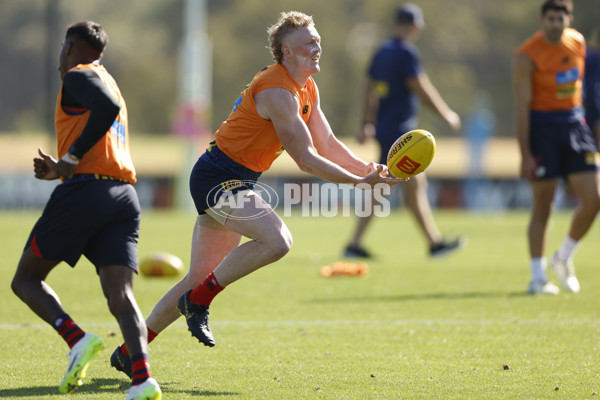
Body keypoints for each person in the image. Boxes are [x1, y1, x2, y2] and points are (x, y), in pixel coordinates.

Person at [109, 11, 403, 376]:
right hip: (217, 176)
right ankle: (198, 303)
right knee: (278, 240)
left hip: (235, 178)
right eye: (308, 43)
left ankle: (128, 352)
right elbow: (307, 159)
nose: (317, 48)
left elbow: (326, 143)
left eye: (317, 41)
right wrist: (359, 183)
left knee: (197, 277)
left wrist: (369, 169)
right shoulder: (277, 91)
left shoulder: (306, 87)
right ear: (286, 51)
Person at [10, 21, 161, 399]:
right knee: (120, 295)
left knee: (25, 279)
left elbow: (103, 111)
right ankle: (143, 381)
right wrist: (62, 167)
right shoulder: (109, 80)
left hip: (86, 193)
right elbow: (105, 117)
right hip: (123, 195)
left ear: (71, 47)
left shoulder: (78, 75)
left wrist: (70, 161)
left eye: (63, 48)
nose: (60, 58)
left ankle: (76, 339)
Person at [343, 3, 466, 259]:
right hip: (401, 134)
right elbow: (420, 87)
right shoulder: (406, 53)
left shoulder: (381, 52)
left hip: (385, 129)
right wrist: (447, 115)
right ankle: (434, 244)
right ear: (415, 27)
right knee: (401, 185)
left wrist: (366, 122)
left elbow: (369, 87)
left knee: (393, 187)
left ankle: (357, 244)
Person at [513, 0, 600, 295]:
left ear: (569, 20)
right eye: (550, 19)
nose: (555, 24)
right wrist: (524, 153)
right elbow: (522, 109)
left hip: (576, 125)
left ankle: (563, 258)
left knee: (594, 198)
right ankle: (537, 278)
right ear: (541, 20)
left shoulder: (578, 43)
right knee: (544, 205)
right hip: (542, 129)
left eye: (559, 19)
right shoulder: (526, 56)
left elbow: (580, 89)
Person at [584, 28, 600, 143]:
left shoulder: (588, 55)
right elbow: (592, 91)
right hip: (592, 119)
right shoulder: (595, 59)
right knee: (592, 156)